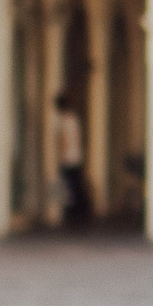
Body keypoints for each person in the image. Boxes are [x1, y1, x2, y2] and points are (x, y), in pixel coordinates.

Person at [52, 94, 91, 226]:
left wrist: (61, 156)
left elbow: (64, 139)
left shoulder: (64, 120)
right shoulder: (73, 118)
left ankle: (74, 212)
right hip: (76, 156)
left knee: (70, 186)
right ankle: (81, 211)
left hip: (68, 158)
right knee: (76, 185)